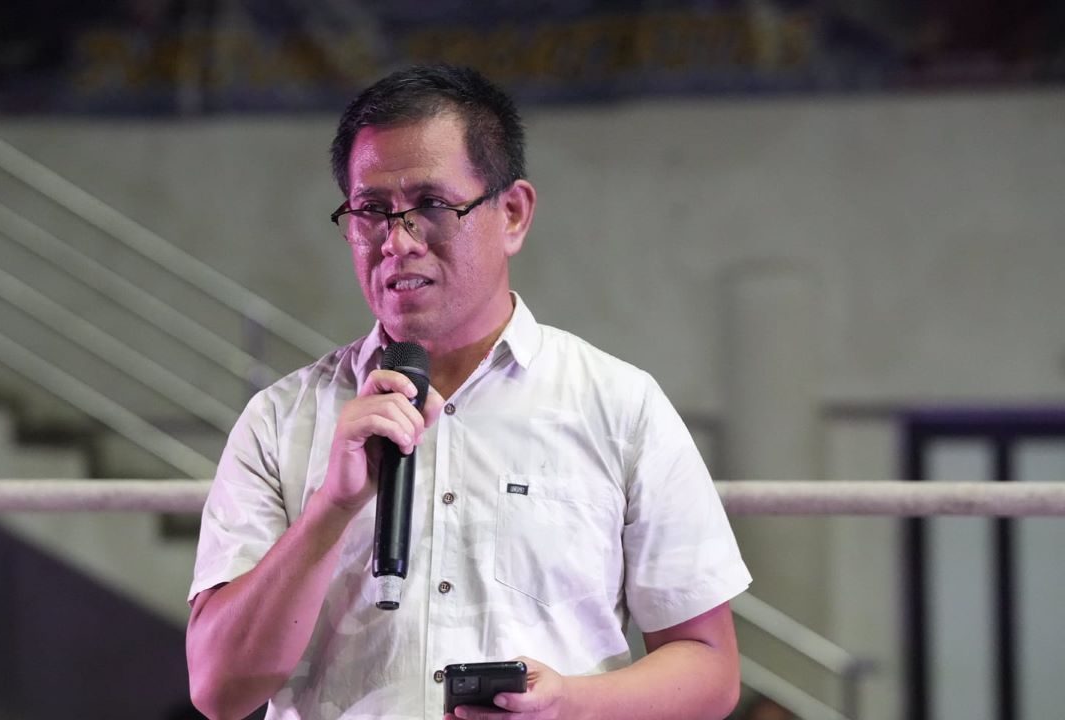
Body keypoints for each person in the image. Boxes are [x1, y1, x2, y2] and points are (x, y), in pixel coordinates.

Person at [185, 64, 751, 720]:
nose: (398, 242)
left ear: (512, 213)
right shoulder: (281, 419)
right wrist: (331, 510)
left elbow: (710, 669)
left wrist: (571, 706)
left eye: (431, 205)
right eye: (372, 211)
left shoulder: (619, 406)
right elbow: (218, 691)